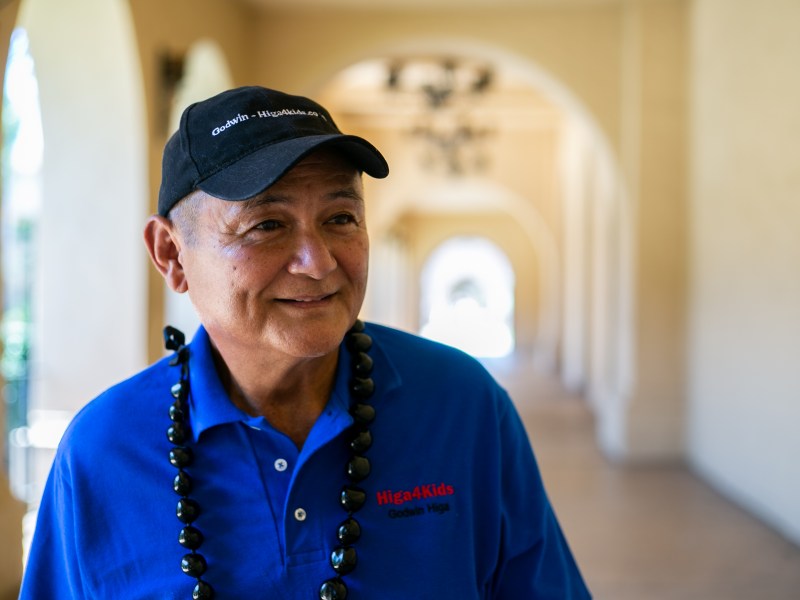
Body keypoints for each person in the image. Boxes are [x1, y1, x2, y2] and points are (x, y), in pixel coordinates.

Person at [20, 86, 591, 599]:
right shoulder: (103, 452)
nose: (318, 263)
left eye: (340, 218)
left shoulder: (461, 406)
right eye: (267, 225)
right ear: (171, 254)